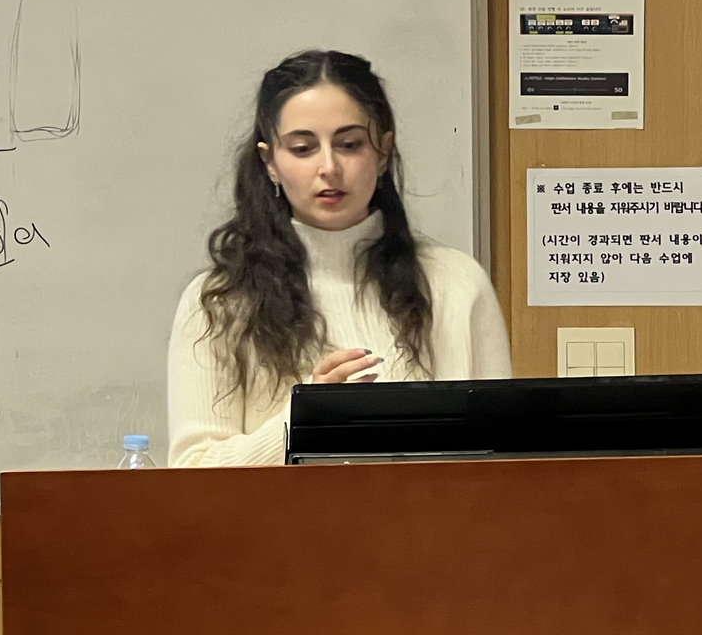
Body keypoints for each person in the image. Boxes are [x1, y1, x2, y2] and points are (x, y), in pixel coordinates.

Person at [167, 50, 511, 467]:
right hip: (279, 532)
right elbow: (192, 472)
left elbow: (502, 460)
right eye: (302, 148)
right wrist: (302, 419)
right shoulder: (219, 301)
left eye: (349, 145)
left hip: (430, 528)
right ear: (269, 162)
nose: (329, 167)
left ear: (383, 151)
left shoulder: (457, 284)